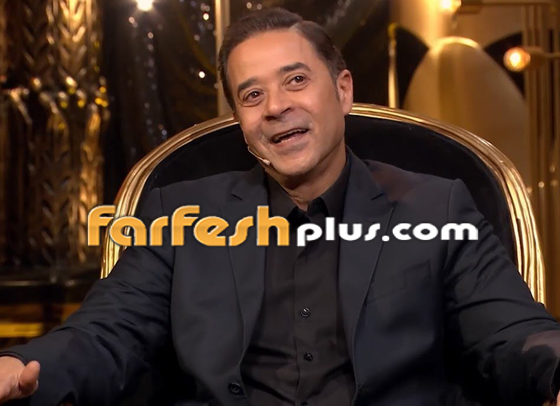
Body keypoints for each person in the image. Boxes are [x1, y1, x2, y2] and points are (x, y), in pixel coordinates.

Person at [1, 7, 560, 406]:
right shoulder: (180, 215)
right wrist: (19, 367)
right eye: (252, 95)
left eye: (295, 80)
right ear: (241, 121)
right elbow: (107, 333)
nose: (275, 107)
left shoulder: (437, 208)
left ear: (342, 90)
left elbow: (511, 334)